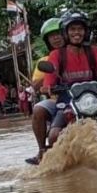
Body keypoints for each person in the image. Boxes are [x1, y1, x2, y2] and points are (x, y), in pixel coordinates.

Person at [28, 11, 97, 165]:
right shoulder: (57, 55)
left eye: (80, 29)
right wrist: (47, 86)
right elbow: (51, 73)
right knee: (54, 135)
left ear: (86, 32)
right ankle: (47, 154)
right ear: (66, 32)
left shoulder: (93, 51)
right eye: (72, 29)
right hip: (67, 101)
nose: (76, 33)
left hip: (94, 99)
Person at [26, 17, 66, 164]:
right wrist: (51, 77)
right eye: (51, 35)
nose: (56, 38)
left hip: (84, 98)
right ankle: (42, 150)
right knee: (38, 109)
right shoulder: (45, 60)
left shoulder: (79, 53)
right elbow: (35, 84)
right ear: (47, 40)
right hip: (58, 101)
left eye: (58, 33)